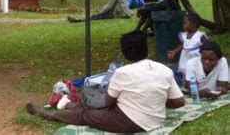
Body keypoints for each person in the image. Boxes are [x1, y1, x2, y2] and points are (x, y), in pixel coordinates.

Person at [25, 30, 185, 133]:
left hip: (132, 121)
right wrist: (154, 101)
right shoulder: (163, 69)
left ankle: (50, 116)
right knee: (89, 107)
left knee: (86, 114)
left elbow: (108, 103)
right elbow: (179, 102)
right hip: (157, 118)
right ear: (146, 49)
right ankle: (67, 105)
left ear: (125, 53)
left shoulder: (122, 72)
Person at [167, 13, 208, 83]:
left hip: (195, 58)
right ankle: (185, 81)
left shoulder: (200, 36)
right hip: (185, 58)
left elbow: (208, 45)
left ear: (194, 24)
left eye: (185, 23)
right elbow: (183, 45)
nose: (183, 25)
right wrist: (175, 51)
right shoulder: (184, 35)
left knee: (196, 72)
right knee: (184, 71)